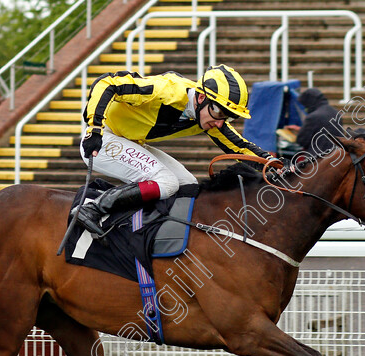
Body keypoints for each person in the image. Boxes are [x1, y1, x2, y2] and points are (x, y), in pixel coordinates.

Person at [76, 65, 278, 236]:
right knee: (166, 182)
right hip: (103, 138)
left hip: (130, 141)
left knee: (188, 186)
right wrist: (95, 128)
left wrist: (276, 165)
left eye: (229, 117)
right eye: (218, 112)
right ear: (200, 98)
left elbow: (240, 147)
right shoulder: (166, 90)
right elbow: (107, 83)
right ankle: (92, 209)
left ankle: (151, 233)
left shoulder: (210, 117)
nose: (220, 122)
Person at [295, 87, 346, 157]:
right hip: (337, 155)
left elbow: (302, 141)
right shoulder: (335, 112)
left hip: (317, 158)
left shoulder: (312, 117)